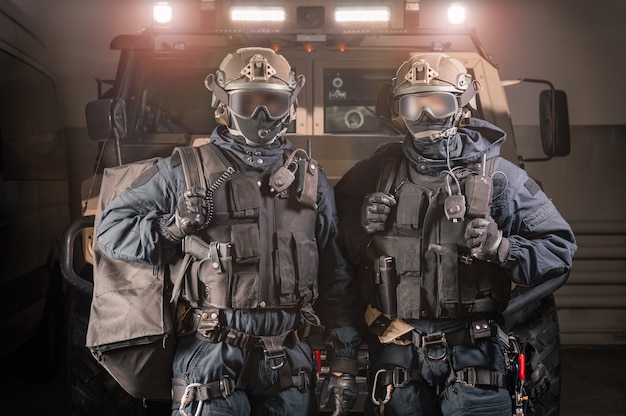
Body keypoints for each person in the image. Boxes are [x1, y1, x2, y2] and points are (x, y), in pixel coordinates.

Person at [96, 47, 362, 416]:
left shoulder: (310, 181)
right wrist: (171, 229)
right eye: (249, 100)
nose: (261, 113)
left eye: (272, 100)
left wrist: (343, 363)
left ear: (290, 103)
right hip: (210, 355)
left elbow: (336, 278)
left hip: (288, 360)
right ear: (223, 102)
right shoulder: (184, 171)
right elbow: (111, 230)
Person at [333, 53, 577, 416]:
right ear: (399, 110)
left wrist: (503, 248)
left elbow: (559, 249)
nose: (425, 115)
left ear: (461, 106)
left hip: (475, 356)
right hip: (398, 356)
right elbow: (326, 250)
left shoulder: (501, 179)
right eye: (414, 104)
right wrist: (360, 225)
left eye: (437, 102)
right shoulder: (371, 175)